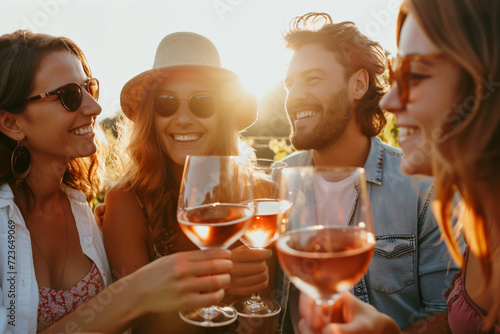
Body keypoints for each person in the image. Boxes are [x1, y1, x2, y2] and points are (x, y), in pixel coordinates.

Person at [0, 30, 234, 333]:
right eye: (69, 96)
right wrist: (137, 290)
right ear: (11, 123)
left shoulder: (81, 210)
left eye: (89, 88)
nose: (95, 108)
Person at [299, 0, 500, 333]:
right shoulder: (482, 220)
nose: (390, 100)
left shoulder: (426, 195)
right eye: (395, 75)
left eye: (416, 74)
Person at [102, 32, 274, 333]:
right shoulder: (127, 201)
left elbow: (264, 319)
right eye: (166, 104)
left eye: (202, 103)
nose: (182, 119)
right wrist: (218, 286)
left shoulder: (258, 193)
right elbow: (143, 322)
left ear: (223, 114)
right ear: (150, 117)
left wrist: (252, 310)